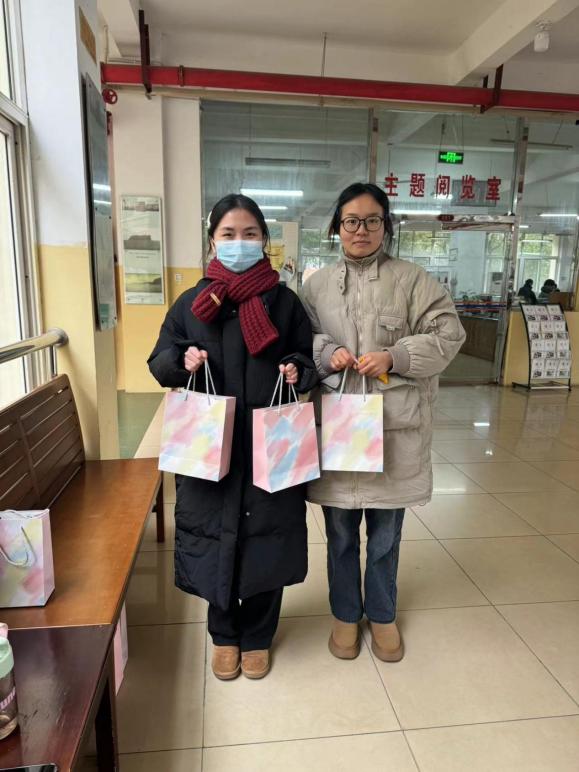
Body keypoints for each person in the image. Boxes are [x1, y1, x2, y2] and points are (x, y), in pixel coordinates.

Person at [148, 194, 317, 681]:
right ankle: (223, 634)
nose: (238, 243)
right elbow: (159, 359)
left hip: (269, 441)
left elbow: (307, 359)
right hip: (210, 443)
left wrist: (296, 368)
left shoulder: (285, 303)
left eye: (249, 234)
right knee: (215, 538)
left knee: (268, 538)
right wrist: (180, 361)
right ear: (212, 241)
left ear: (264, 240)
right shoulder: (192, 304)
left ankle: (258, 635)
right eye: (228, 234)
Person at [301, 182, 465, 663]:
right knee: (339, 534)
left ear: (385, 226)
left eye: (372, 220)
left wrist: (396, 355)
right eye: (351, 221)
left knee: (385, 536)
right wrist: (328, 352)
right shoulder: (314, 286)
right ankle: (344, 614)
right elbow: (298, 338)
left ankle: (383, 614)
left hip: (395, 430)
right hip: (338, 427)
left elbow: (449, 333)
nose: (361, 230)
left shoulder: (414, 280)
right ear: (337, 228)